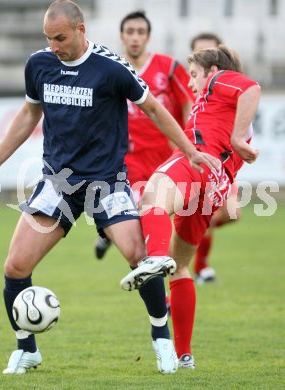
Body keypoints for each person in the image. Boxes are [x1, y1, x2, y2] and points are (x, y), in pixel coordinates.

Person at [0, 0, 219, 375]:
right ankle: (27, 348)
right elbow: (29, 112)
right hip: (58, 181)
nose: (53, 45)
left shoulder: (110, 68)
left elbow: (153, 108)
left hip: (106, 181)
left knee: (141, 257)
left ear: (81, 30)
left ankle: (162, 341)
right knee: (16, 265)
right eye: (48, 38)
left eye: (60, 37)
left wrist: (191, 151)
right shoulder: (39, 64)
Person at [120, 45, 261, 369]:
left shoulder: (219, 82)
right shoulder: (229, 109)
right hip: (213, 189)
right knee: (181, 268)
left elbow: (252, 87)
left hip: (195, 161)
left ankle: (155, 257)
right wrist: (239, 139)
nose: (192, 84)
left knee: (152, 197)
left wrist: (238, 138)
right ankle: (184, 355)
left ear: (212, 73)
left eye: (195, 74)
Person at [95, 10, 195, 260]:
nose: (135, 38)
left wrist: (188, 140)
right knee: (145, 215)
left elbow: (188, 103)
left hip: (164, 157)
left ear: (148, 37)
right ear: (122, 36)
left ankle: (109, 234)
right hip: (128, 159)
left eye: (141, 32)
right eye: (130, 32)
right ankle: (153, 266)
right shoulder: (112, 68)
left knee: (158, 215)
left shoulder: (168, 67)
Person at [190, 32, 245, 284]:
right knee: (205, 213)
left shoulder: (228, 91)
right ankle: (200, 268)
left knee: (233, 213)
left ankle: (185, 241)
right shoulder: (191, 88)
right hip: (201, 160)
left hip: (222, 162)